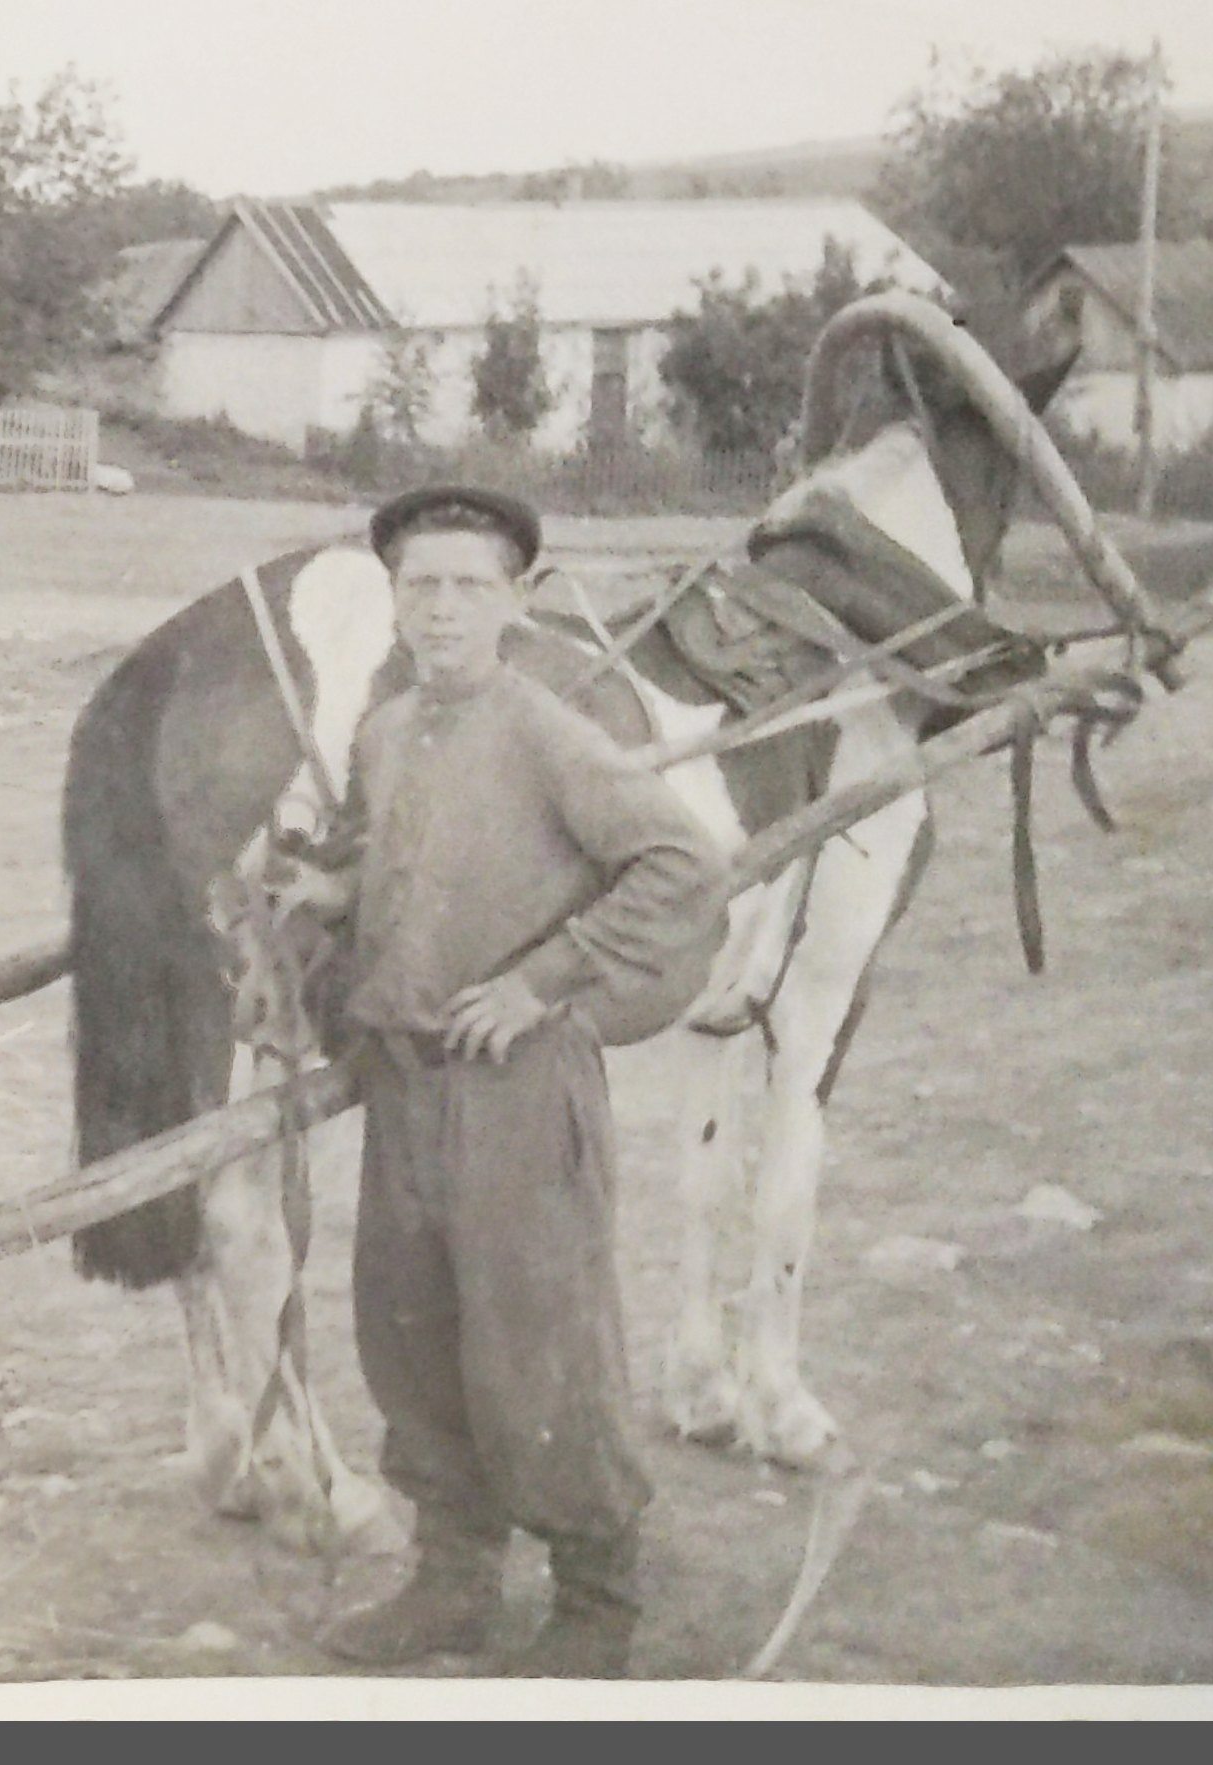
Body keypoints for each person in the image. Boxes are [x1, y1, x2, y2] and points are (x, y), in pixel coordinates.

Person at [307, 484, 731, 1678]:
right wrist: (326, 893)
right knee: (415, 1340)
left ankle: (596, 1609)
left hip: (517, 1097)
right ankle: (450, 1585)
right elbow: (381, 857)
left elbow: (678, 864)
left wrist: (546, 979)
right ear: (392, 598)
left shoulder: (546, 727)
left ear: (519, 600)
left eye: (468, 586)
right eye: (419, 585)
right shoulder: (386, 730)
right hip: (405, 1095)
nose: (441, 611)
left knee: (541, 1347)